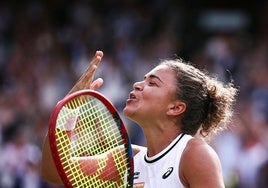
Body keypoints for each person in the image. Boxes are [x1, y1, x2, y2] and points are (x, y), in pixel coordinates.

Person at [41, 50, 238, 187]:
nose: (138, 84)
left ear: (176, 107)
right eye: (143, 79)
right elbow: (54, 172)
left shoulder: (194, 154)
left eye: (152, 83)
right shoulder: (127, 159)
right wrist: (69, 109)